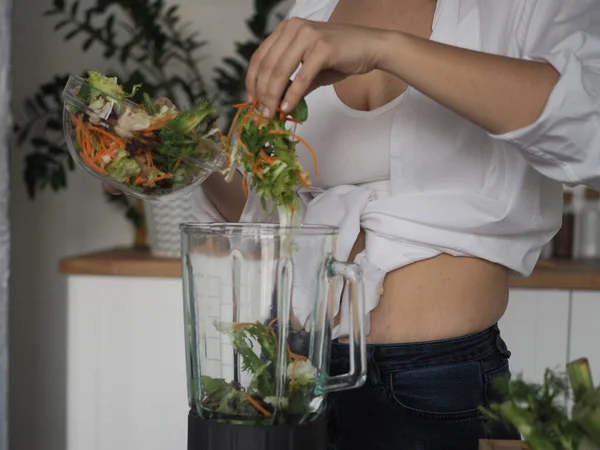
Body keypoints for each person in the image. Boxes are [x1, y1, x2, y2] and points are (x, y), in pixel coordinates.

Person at [110, 0, 600, 448]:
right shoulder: (312, 8)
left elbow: (588, 123)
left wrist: (383, 48)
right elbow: (274, 208)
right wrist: (179, 156)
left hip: (436, 381)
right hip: (293, 369)